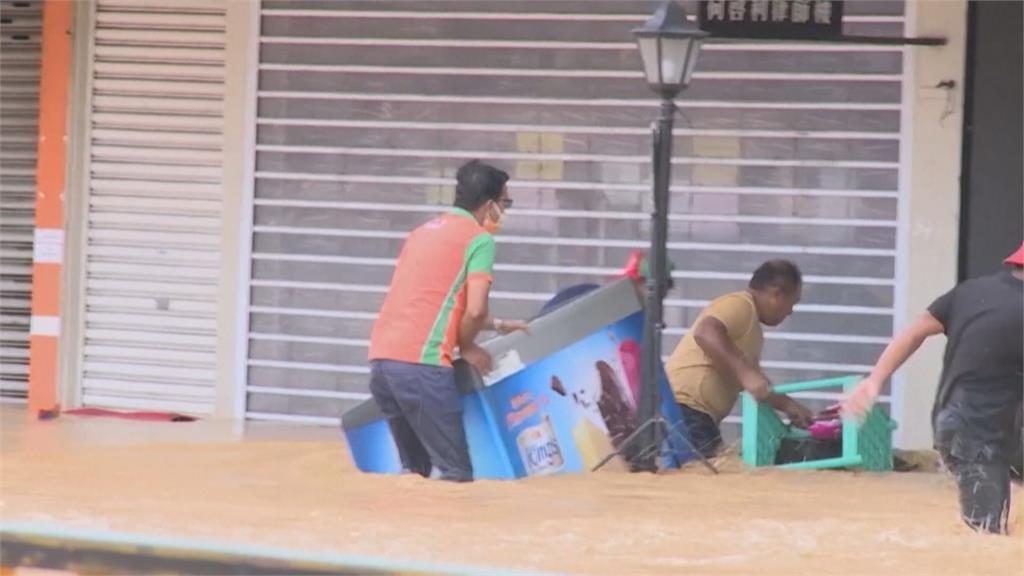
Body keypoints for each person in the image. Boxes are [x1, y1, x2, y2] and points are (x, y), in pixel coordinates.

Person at [843, 242, 1024, 535]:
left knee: (988, 532)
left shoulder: (970, 291)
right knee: (986, 538)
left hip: (957, 425)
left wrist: (875, 380)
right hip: (979, 437)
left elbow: (915, 331)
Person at [367, 160, 527, 482]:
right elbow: (474, 310)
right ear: (488, 205)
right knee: (457, 479)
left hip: (383, 364)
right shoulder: (479, 240)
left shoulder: (420, 234)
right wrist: (467, 346)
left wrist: (497, 325)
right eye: (505, 203)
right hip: (421, 369)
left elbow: (430, 303)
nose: (503, 213)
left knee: (415, 475)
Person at [666, 260, 815, 458]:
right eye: (792, 303)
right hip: (687, 409)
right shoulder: (741, 304)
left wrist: (789, 406)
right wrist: (744, 372)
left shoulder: (751, 329)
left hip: (696, 414)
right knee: (706, 475)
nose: (790, 311)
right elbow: (705, 331)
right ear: (776, 294)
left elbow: (757, 384)